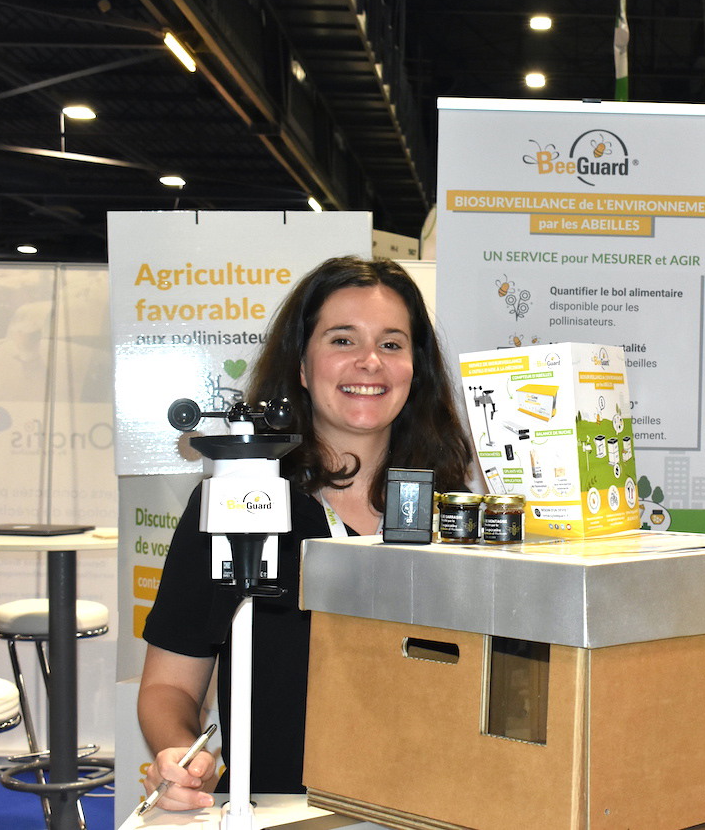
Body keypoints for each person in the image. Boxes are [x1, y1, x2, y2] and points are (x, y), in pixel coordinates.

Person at [137, 257, 476, 810]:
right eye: (343, 340)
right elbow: (168, 685)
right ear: (300, 365)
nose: (370, 361)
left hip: (437, 806)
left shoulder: (458, 514)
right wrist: (180, 755)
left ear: (415, 369)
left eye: (392, 344)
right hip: (279, 809)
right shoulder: (236, 503)